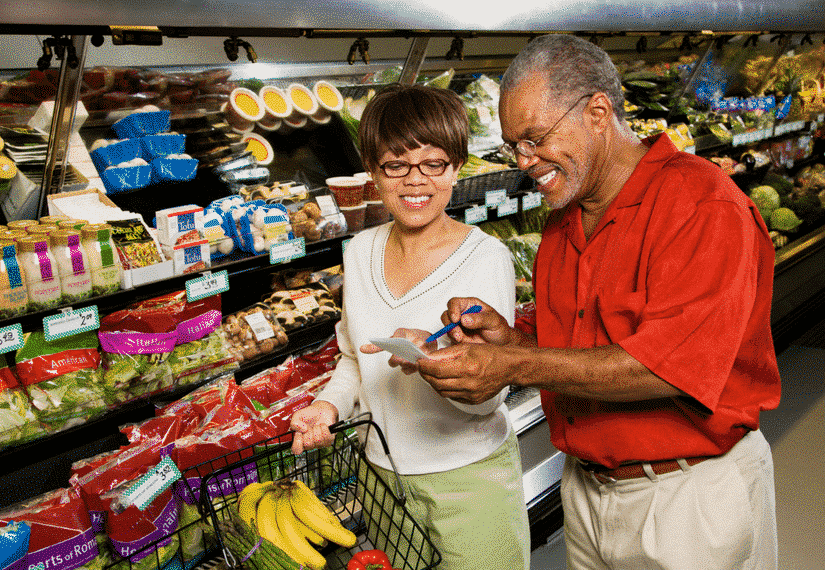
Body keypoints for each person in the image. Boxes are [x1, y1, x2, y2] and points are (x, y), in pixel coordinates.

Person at [415, 35, 781, 570]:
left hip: (687, 498)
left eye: (535, 138)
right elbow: (582, 348)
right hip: (586, 494)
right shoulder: (564, 223)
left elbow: (670, 370)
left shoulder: (701, 205)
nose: (523, 161)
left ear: (597, 112)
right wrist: (511, 339)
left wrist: (514, 363)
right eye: (515, 144)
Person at [289, 83, 531, 570]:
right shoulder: (358, 252)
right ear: (374, 173)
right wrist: (327, 406)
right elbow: (354, 358)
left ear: (457, 165)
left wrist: (430, 362)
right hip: (382, 482)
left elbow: (490, 397)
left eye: (433, 164)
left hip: (468, 483)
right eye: (395, 165)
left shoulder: (485, 258)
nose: (414, 182)